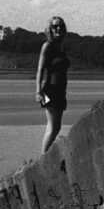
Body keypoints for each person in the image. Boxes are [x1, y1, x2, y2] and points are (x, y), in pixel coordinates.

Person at [36, 16, 70, 152]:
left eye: (61, 25)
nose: (58, 28)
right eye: (55, 26)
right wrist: (38, 91)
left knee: (57, 127)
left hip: (61, 90)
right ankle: (44, 157)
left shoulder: (62, 46)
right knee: (53, 127)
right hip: (50, 90)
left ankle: (47, 154)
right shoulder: (47, 46)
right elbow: (40, 70)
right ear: (50, 29)